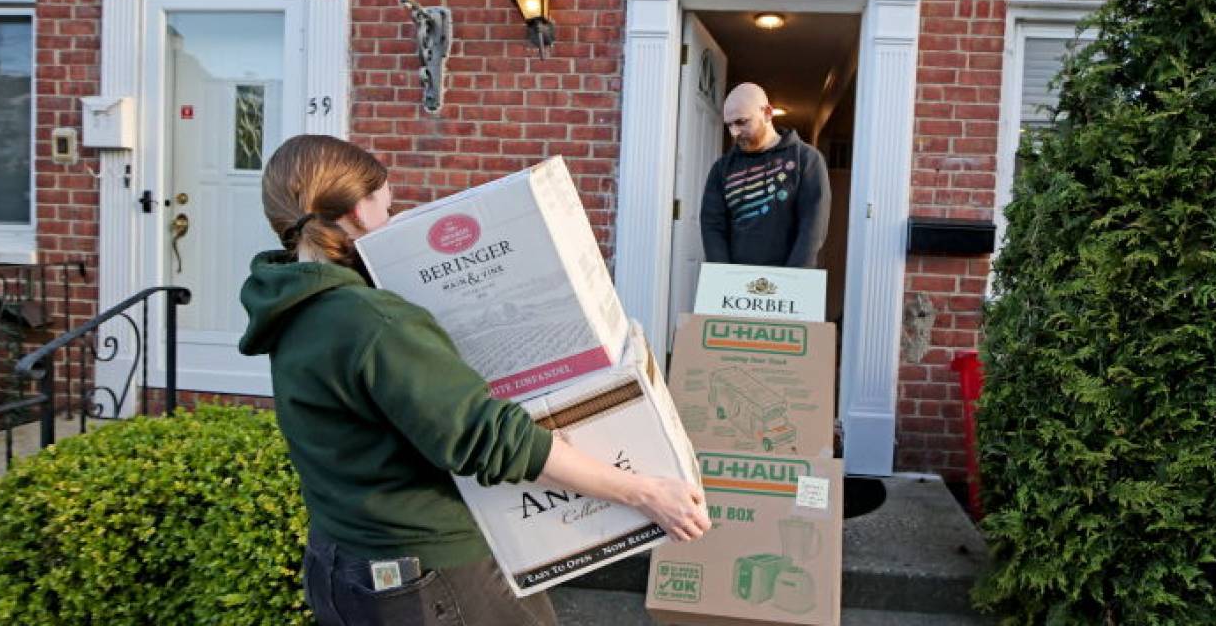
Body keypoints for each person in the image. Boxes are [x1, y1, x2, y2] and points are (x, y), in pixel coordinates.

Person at [239, 134, 710, 626]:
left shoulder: (293, 306)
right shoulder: (374, 321)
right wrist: (646, 493)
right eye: (386, 207)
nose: (392, 220)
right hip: (424, 572)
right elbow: (489, 441)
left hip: (339, 563)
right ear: (358, 212)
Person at [700, 82, 833, 268]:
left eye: (741, 122)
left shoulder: (807, 159)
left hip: (788, 283)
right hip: (734, 282)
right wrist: (724, 274)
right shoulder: (722, 168)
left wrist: (791, 278)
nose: (734, 132)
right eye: (729, 125)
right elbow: (712, 226)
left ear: (767, 113)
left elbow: (812, 228)